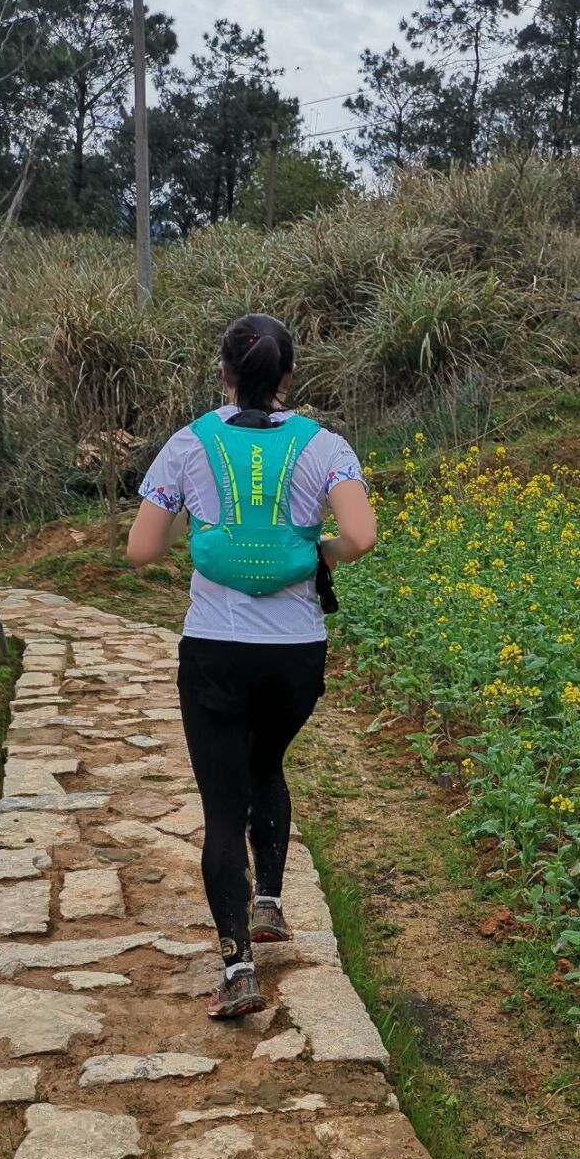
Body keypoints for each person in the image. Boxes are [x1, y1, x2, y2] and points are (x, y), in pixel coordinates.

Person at [127, 313, 377, 1019]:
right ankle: (268, 902)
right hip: (296, 655)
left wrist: (191, 524)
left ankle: (238, 966)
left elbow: (141, 552)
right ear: (290, 376)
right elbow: (361, 534)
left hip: (215, 649)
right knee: (267, 767)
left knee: (220, 805)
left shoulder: (187, 445)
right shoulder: (325, 446)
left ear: (223, 375)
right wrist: (316, 553)